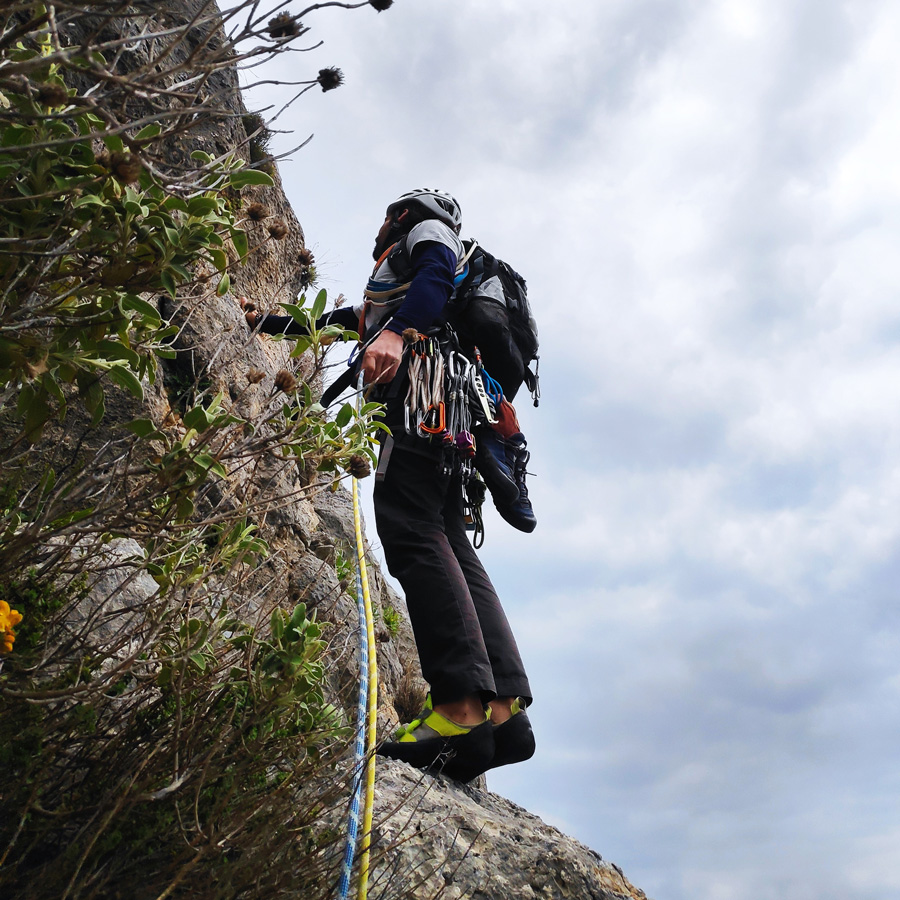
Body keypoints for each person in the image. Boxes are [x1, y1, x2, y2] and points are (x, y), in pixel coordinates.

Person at [245, 189, 534, 782]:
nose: (378, 228)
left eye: (385, 216)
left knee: (412, 530)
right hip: (450, 416)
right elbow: (343, 321)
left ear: (402, 213)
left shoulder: (426, 236)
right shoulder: (403, 290)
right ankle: (501, 712)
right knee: (447, 538)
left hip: (421, 401)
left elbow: (430, 276)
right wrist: (266, 321)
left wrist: (398, 333)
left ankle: (458, 706)